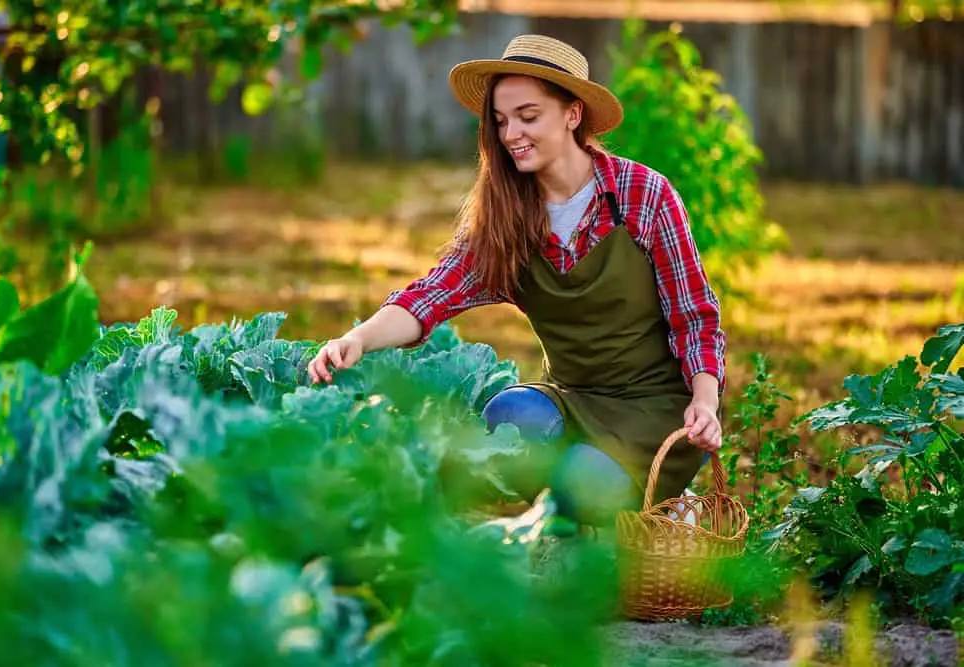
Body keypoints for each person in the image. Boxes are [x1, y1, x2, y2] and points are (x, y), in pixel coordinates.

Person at [307, 35, 726, 543]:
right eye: (502, 121)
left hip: (656, 407)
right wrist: (359, 339)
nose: (512, 134)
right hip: (572, 397)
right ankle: (575, 522)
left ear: (573, 115)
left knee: (582, 484)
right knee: (509, 418)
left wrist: (704, 400)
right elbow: (433, 295)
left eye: (528, 116)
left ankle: (652, 505)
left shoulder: (643, 196)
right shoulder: (507, 213)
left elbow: (694, 315)